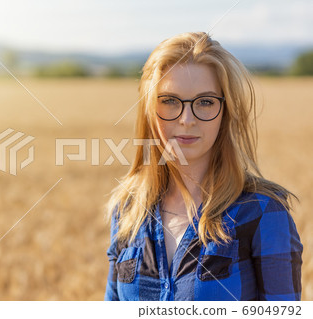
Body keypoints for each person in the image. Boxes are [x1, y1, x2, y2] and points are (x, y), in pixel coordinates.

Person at [104, 32, 303, 301]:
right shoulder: (128, 210)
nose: (187, 119)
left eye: (206, 102)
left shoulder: (263, 214)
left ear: (226, 111)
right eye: (170, 101)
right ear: (150, 110)